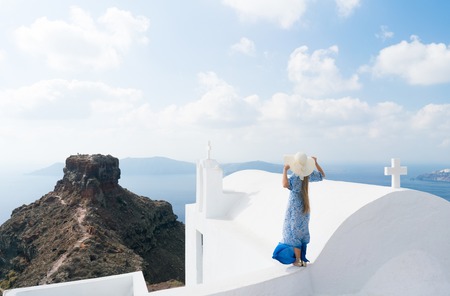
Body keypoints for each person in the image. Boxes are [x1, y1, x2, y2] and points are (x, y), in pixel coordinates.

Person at [272, 152, 325, 267]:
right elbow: (322, 175)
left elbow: (285, 184)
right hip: (305, 207)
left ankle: (298, 260)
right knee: (302, 232)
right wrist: (315, 163)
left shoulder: (296, 178)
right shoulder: (308, 176)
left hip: (294, 208)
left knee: (293, 232)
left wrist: (285, 170)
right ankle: (302, 259)